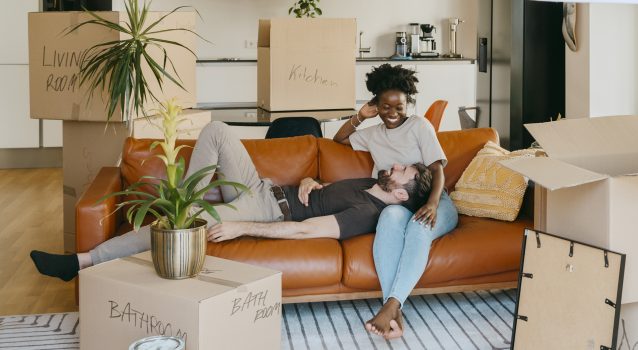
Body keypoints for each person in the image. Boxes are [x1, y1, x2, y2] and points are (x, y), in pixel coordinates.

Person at [30, 121, 432, 282]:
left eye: (403, 172)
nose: (395, 164)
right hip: (260, 186)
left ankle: (80, 263)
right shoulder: (368, 182)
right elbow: (321, 185)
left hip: (264, 210)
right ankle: (187, 196)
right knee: (218, 130)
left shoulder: (369, 213)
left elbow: (308, 229)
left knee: (179, 224)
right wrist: (310, 176)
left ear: (400, 194)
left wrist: (242, 227)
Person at [332, 64, 459, 339]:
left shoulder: (419, 126)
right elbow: (339, 139)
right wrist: (360, 116)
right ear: (376, 103)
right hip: (398, 204)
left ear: (407, 104)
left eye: (399, 107)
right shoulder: (373, 134)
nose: (392, 114)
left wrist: (433, 204)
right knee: (388, 216)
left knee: (419, 226)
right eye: (385, 107)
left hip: (437, 200)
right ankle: (394, 310)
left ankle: (390, 306)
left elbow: (437, 168)